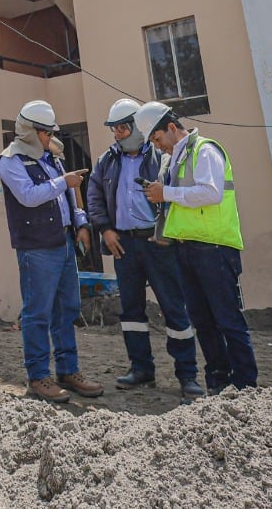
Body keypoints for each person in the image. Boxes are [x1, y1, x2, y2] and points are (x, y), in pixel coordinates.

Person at [88, 98, 205, 401]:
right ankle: (141, 369)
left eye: (123, 128)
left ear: (139, 128)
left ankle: (187, 375)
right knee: (131, 310)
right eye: (114, 129)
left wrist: (165, 230)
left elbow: (173, 194)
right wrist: (106, 229)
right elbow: (95, 196)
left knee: (173, 306)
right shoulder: (107, 161)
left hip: (157, 243)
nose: (118, 134)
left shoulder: (160, 158)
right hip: (123, 244)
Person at [140, 101, 258, 393]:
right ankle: (218, 383)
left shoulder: (205, 150)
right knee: (203, 322)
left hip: (214, 248)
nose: (159, 148)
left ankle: (246, 387)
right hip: (186, 249)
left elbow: (211, 192)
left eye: (157, 140)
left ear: (170, 127)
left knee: (227, 319)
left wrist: (165, 192)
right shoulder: (171, 161)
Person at [0, 100, 102, 403]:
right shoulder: (11, 161)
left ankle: (68, 370)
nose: (49, 138)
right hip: (37, 247)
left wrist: (80, 221)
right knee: (38, 312)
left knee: (67, 308)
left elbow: (69, 195)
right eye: (45, 132)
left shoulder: (50, 158)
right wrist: (62, 181)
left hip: (63, 241)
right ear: (29, 131)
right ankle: (38, 376)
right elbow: (29, 197)